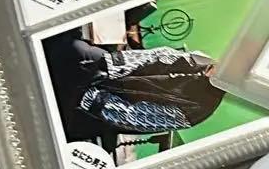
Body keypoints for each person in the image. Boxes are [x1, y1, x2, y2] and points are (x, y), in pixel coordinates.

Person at [61, 38, 224, 134]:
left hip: (92, 108)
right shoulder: (201, 59)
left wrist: (89, 94)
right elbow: (153, 56)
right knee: (70, 47)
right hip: (108, 72)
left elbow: (129, 115)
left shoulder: (195, 111)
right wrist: (105, 67)